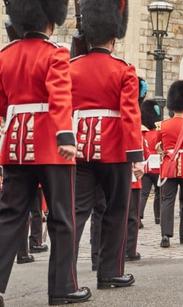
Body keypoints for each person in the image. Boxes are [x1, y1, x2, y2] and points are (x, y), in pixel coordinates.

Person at [0, 0, 91, 305]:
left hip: (15, 146)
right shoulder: (55, 54)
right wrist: (66, 135)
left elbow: (2, 105)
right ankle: (61, 288)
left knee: (10, 218)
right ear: (50, 19)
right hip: (52, 146)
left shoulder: (5, 55)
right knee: (62, 218)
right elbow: (60, 97)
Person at [71, 0, 144, 289]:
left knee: (76, 213)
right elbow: (129, 114)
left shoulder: (71, 67)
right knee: (115, 211)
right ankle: (109, 272)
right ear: (114, 37)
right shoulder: (124, 70)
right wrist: (136, 154)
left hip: (78, 147)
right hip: (114, 150)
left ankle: (65, 276)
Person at [157, 80, 183, 248]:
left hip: (169, 165)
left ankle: (165, 235)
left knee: (167, 200)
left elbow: (158, 146)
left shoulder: (162, 125)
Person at [140, 99, 163, 226]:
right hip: (157, 166)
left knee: (143, 193)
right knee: (159, 192)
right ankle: (158, 217)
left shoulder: (143, 133)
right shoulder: (158, 132)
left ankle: (138, 216)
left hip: (145, 165)